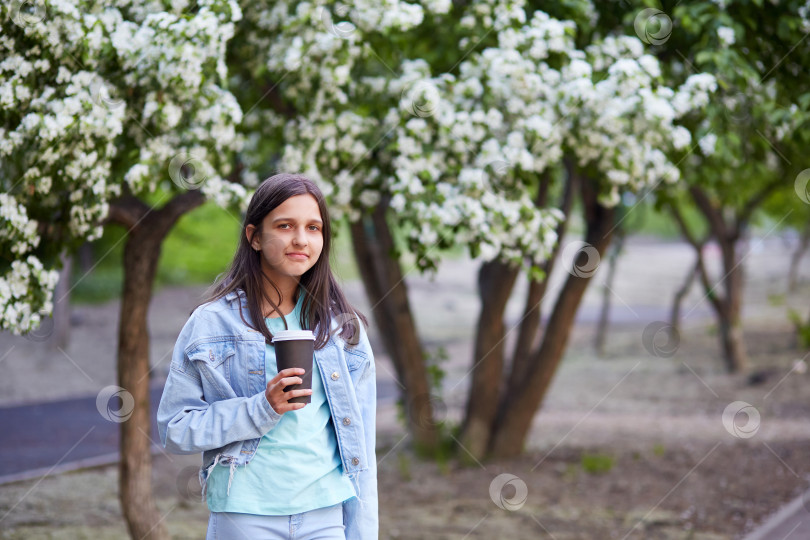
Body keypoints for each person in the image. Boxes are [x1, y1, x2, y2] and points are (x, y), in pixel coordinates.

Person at [157, 173, 378, 539]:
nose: (300, 239)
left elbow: (363, 447)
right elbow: (174, 429)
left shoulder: (342, 328)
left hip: (325, 514)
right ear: (254, 236)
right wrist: (262, 408)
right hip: (245, 515)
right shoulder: (212, 323)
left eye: (313, 227)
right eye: (285, 225)